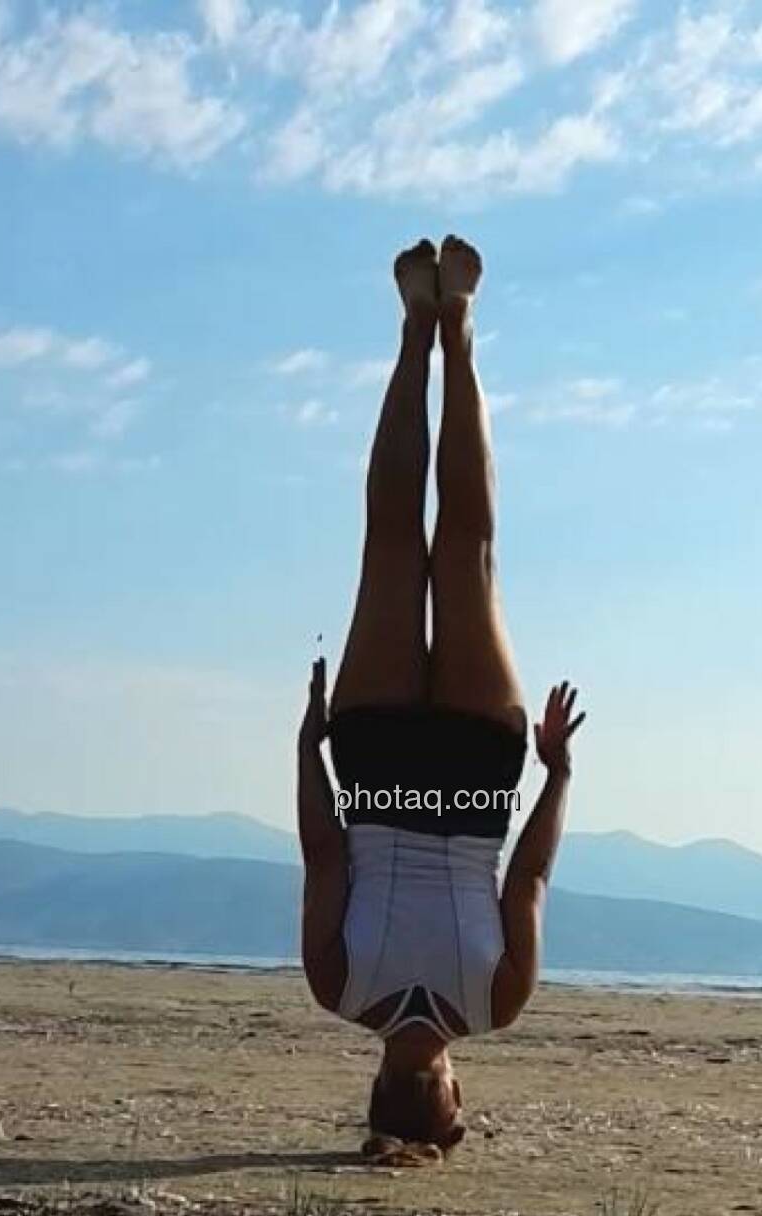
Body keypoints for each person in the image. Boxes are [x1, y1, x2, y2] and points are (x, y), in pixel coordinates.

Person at [296, 236, 585, 1159]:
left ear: (447, 1093)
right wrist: (309, 750)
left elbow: (527, 879)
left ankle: (457, 331)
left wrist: (556, 775)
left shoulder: (498, 1005)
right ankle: (417, 331)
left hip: (472, 782)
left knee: (468, 548)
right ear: (375, 1090)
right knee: (388, 540)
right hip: (377, 773)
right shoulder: (334, 988)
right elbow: (325, 855)